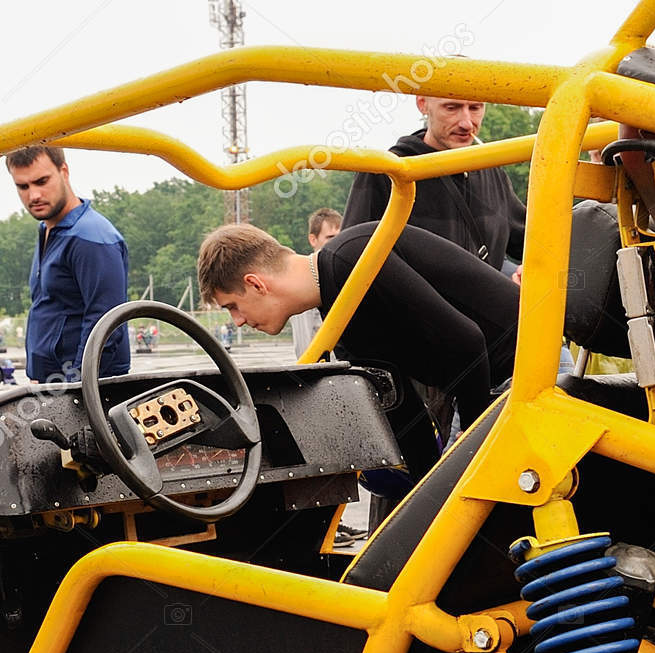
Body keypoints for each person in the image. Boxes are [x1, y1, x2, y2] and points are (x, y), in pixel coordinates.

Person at [196, 221, 520, 432]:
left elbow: (466, 341)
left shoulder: (351, 259)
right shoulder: (337, 312)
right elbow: (404, 409)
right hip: (492, 383)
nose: (237, 321)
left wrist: (474, 446)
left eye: (232, 307)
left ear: (255, 284)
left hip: (522, 369)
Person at [341, 97, 526, 273]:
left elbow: (534, 243)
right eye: (451, 108)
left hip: (483, 306)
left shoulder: (493, 174)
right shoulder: (387, 173)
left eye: (475, 108)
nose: (467, 123)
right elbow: (349, 258)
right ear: (422, 104)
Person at [6, 145, 130, 383]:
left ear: (64, 171)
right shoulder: (47, 229)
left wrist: (76, 388)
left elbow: (105, 324)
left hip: (87, 389)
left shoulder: (92, 236)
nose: (34, 195)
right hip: (51, 383)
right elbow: (50, 308)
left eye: (42, 181)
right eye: (23, 186)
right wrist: (38, 373)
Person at [289, 208, 342, 358]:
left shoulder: (342, 274)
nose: (337, 242)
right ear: (313, 239)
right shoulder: (303, 280)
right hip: (319, 369)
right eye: (330, 237)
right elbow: (305, 340)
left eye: (340, 236)